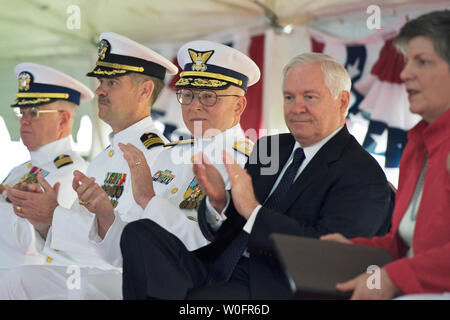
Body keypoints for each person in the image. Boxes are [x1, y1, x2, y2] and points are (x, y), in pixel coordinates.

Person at [120, 52, 394, 300]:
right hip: (217, 266)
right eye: (289, 97)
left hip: (275, 286)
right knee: (138, 234)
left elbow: (332, 259)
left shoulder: (362, 173)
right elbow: (231, 227)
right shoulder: (271, 147)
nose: (296, 108)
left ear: (342, 101)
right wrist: (219, 203)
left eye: (309, 97)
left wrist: (253, 210)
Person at [0, 32, 177, 299]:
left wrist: (52, 217)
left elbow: (135, 249)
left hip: (122, 285)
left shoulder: (158, 157)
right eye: (101, 81)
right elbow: (77, 240)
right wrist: (47, 222)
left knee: (17, 281)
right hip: (84, 277)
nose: (100, 90)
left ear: (145, 91)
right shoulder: (103, 159)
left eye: (112, 82)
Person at [81, 40, 260, 267]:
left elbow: (211, 254)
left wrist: (150, 200)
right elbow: (124, 254)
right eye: (187, 95)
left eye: (208, 97)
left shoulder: (249, 165)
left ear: (238, 107)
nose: (194, 106)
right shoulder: (169, 155)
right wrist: (105, 214)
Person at [321, 10, 450, 300]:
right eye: (407, 62)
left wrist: (394, 277)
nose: (405, 73)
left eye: (423, 62)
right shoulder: (417, 145)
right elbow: (405, 244)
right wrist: (353, 251)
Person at [0, 62, 92, 270]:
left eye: (33, 112)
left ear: (63, 120)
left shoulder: (72, 174)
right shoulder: (21, 170)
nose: (23, 121)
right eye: (21, 112)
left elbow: (36, 240)